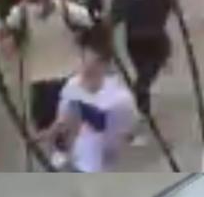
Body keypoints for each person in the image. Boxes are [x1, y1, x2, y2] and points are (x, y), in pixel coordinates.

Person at [36, 26, 138, 173]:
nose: (80, 63)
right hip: (78, 162)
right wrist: (46, 135)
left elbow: (122, 131)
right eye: (80, 56)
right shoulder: (72, 86)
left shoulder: (120, 98)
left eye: (86, 58)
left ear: (104, 62)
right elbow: (62, 121)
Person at [110, 0, 173, 128]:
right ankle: (144, 110)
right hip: (135, 46)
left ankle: (141, 113)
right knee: (141, 77)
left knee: (142, 82)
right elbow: (113, 20)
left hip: (156, 46)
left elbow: (171, 5)